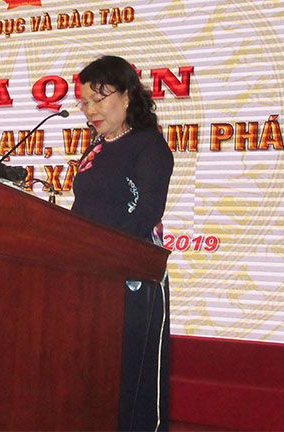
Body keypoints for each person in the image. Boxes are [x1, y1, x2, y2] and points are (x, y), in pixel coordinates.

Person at [71, 55, 174, 432]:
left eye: (98, 99)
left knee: (133, 371)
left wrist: (106, 252)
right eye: (84, 102)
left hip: (134, 275)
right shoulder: (96, 148)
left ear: (127, 95)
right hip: (90, 274)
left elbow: (147, 211)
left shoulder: (149, 145)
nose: (90, 110)